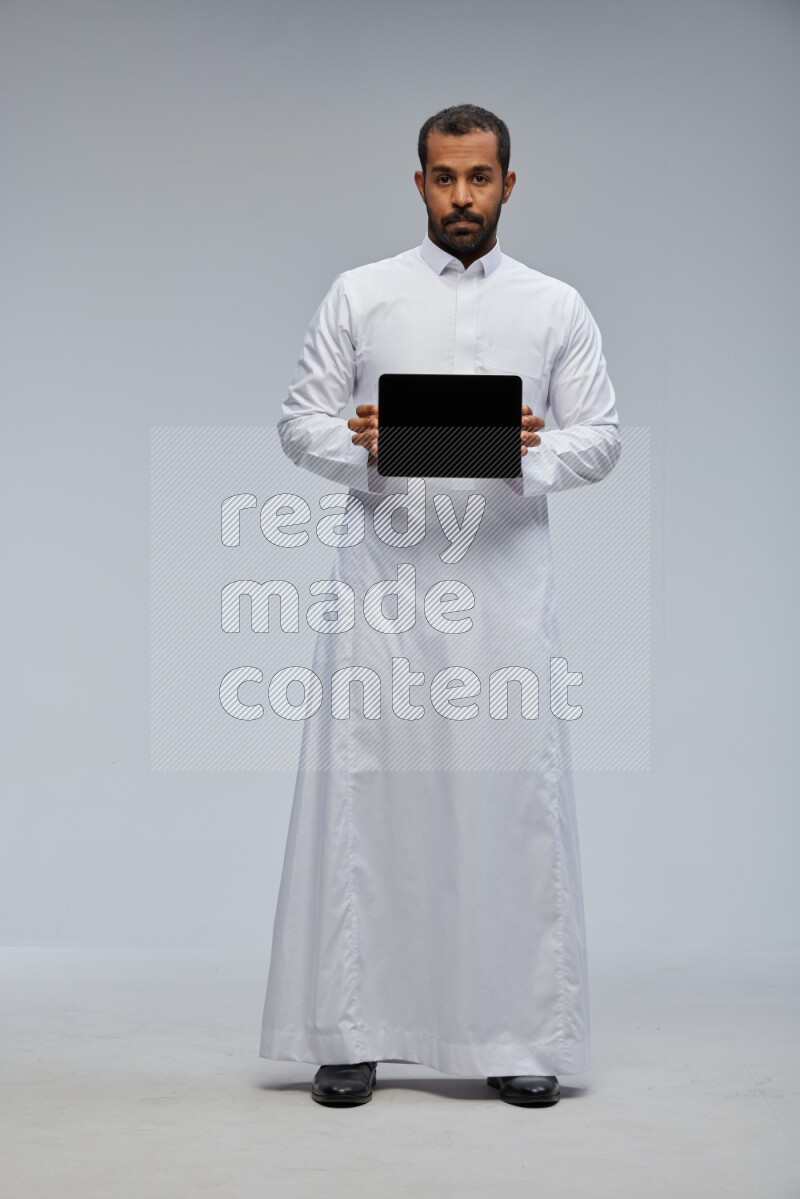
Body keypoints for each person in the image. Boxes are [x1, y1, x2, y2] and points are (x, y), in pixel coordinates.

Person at [259, 103, 621, 1108]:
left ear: (508, 183)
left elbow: (598, 437)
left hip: (504, 593)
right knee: (370, 800)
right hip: (386, 590)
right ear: (416, 182)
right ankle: (352, 1028)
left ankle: (517, 1032)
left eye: (478, 176)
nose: (461, 195)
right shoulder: (360, 295)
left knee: (510, 803)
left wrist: (517, 446)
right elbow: (299, 421)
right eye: (442, 176)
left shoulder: (554, 306)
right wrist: (365, 443)